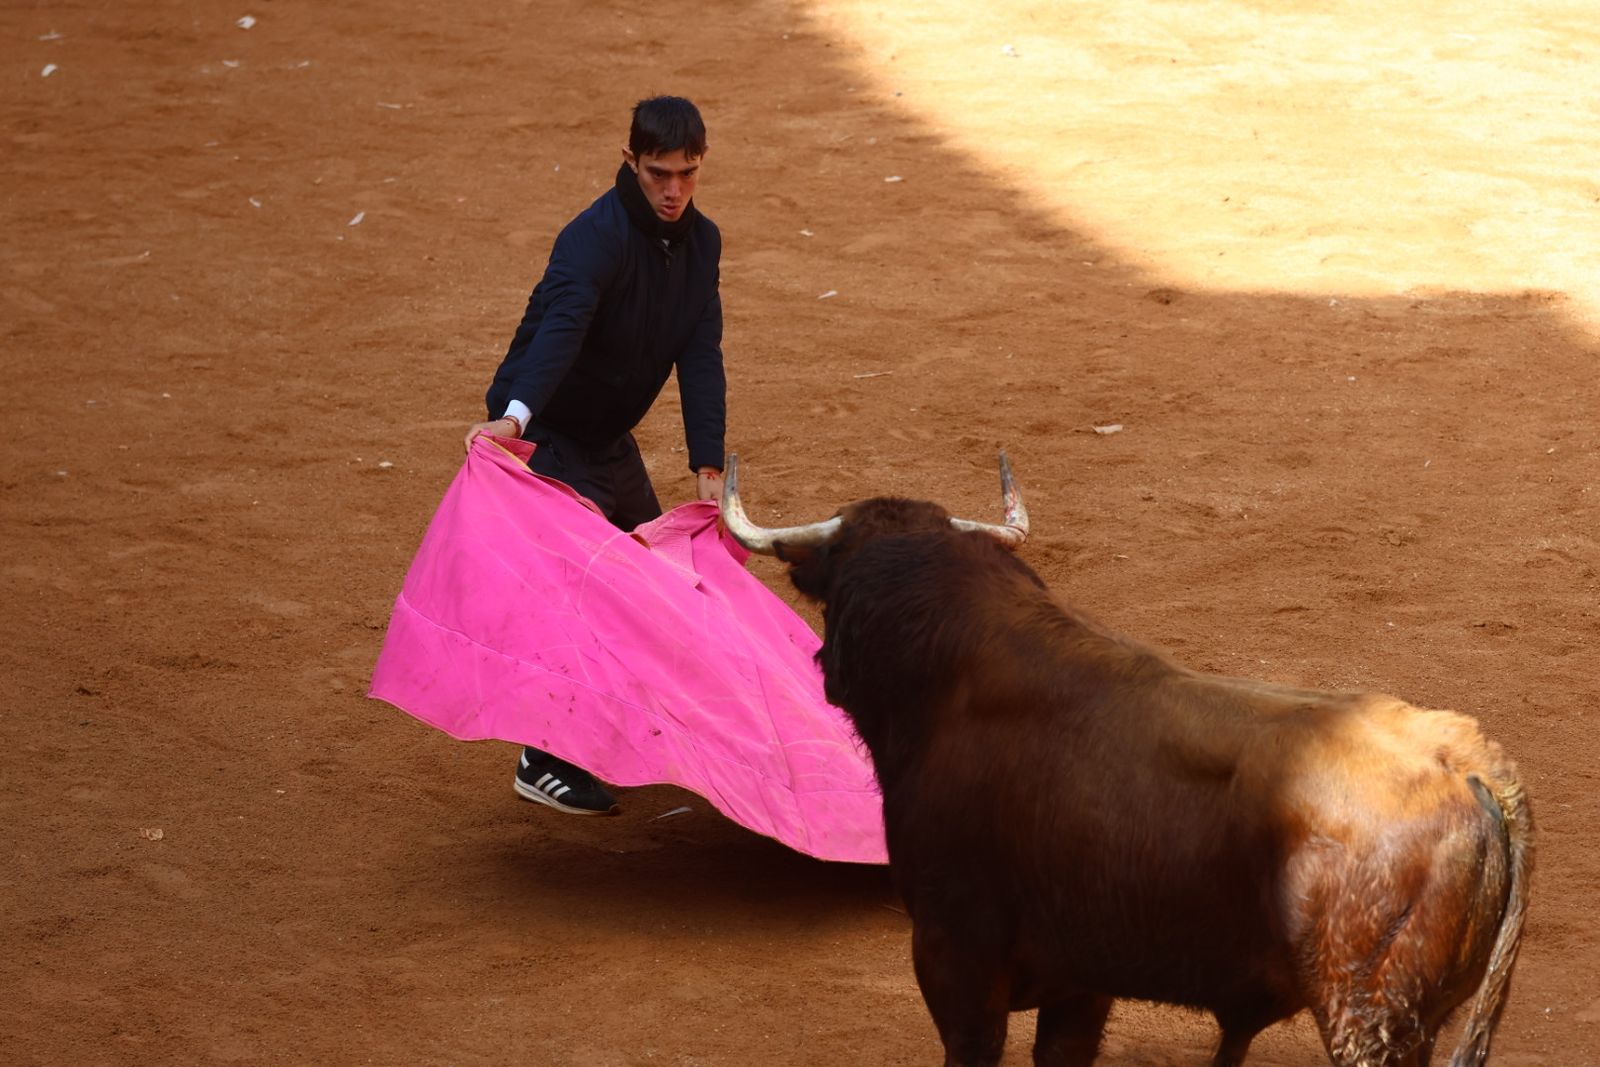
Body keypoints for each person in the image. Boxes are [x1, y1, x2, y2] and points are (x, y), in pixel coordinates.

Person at [462, 96, 726, 816]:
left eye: (687, 174)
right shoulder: (592, 239)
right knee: (584, 588)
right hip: (548, 429)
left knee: (654, 582)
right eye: (657, 174)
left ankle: (616, 729)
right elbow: (562, 332)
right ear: (629, 162)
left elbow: (701, 356)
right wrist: (514, 419)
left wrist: (710, 467)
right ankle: (541, 755)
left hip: (609, 439)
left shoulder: (701, 246)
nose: (673, 191)